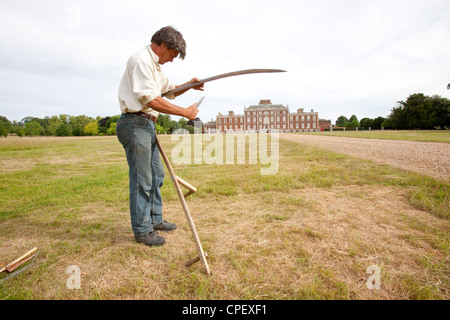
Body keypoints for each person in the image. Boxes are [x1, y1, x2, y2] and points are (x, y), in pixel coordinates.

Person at [116, 26, 203, 247]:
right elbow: (151, 99)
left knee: (156, 176)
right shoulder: (141, 61)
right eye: (172, 55)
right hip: (135, 123)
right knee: (142, 179)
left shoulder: (155, 66)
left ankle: (155, 219)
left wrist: (189, 85)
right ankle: (143, 230)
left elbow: (169, 90)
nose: (172, 61)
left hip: (147, 125)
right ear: (163, 45)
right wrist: (184, 112)